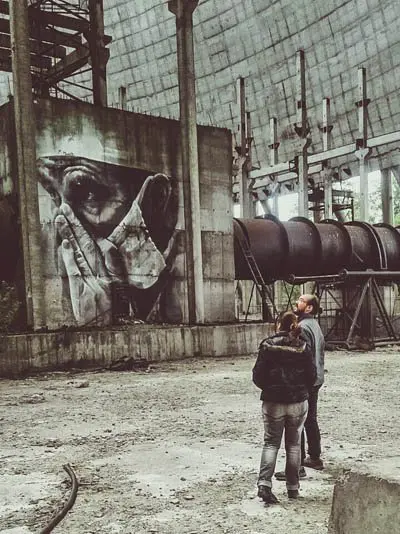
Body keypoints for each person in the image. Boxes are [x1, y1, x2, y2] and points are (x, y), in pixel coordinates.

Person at [253, 311, 316, 504]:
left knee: (271, 443)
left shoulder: (267, 345)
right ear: (293, 325)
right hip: (297, 401)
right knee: (294, 445)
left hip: (273, 401)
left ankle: (264, 484)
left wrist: (271, 388)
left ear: (278, 324)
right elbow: (312, 376)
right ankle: (293, 488)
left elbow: (257, 376)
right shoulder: (303, 346)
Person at [276, 293, 325, 481]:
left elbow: (300, 357)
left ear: (310, 307)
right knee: (310, 419)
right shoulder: (315, 325)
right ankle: (314, 457)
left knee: (297, 424)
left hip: (306, 381)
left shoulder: (302, 328)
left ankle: (297, 467)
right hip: (316, 379)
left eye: (301, 300)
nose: (297, 302)